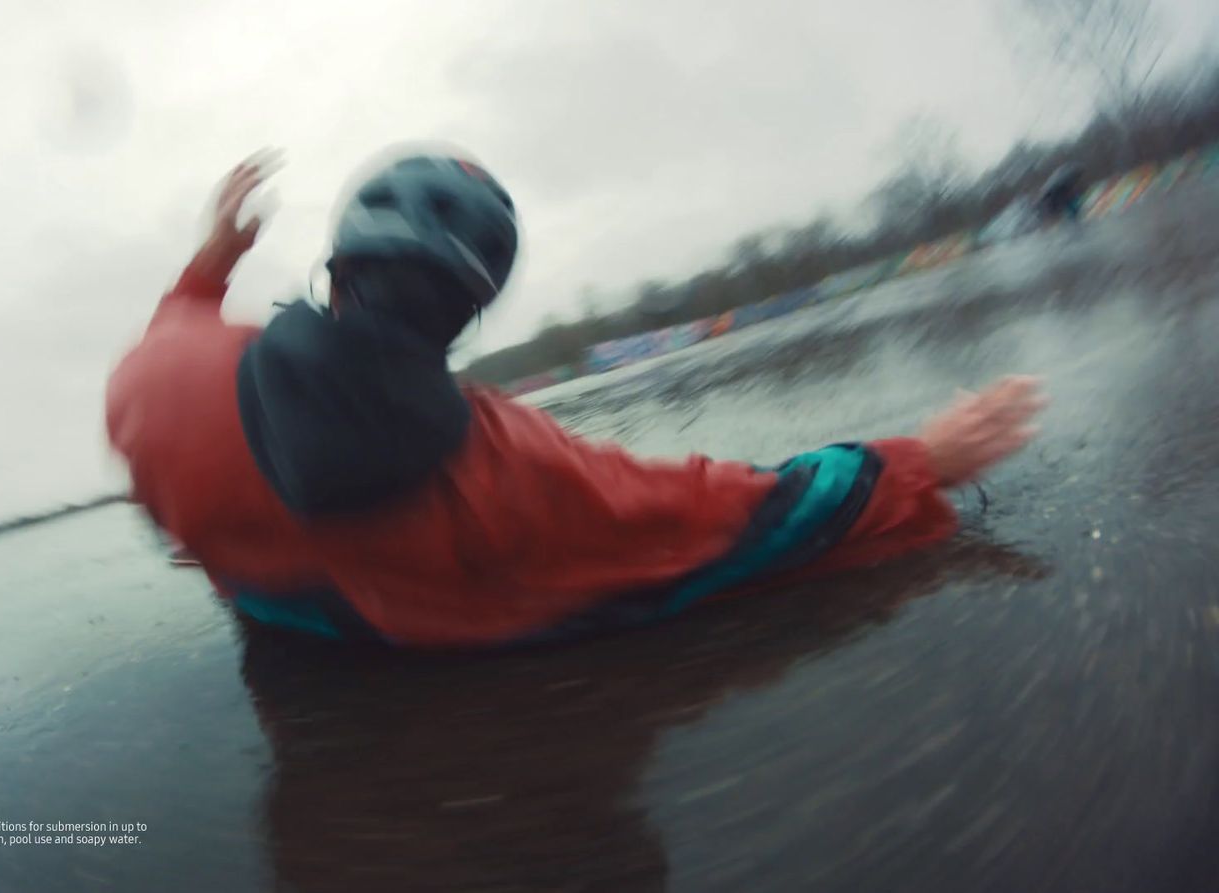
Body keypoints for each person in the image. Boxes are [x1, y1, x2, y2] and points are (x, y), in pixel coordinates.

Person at [106, 148, 1046, 649]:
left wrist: (213, 258)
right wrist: (924, 460)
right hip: (424, 627)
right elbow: (739, 513)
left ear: (336, 265)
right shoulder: (511, 467)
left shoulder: (157, 381)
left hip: (289, 617)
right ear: (470, 310)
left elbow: (176, 323)